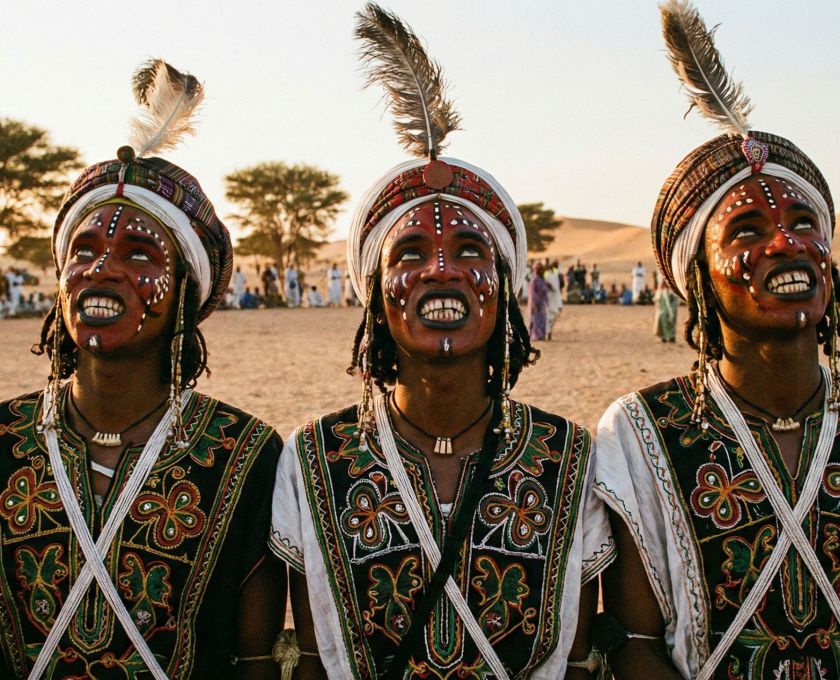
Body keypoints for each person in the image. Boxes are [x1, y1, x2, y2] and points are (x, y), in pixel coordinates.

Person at [269, 6, 611, 678]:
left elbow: (575, 663)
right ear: (375, 294)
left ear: (505, 286)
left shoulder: (571, 460)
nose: (442, 270)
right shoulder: (313, 459)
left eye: (467, 249)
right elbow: (311, 659)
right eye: (412, 252)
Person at [0, 60, 285, 678]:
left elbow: (254, 662)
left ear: (185, 289)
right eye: (85, 250)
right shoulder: (4, 439)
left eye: (138, 253)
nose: (103, 269)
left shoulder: (247, 454)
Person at [594, 3, 839, 678]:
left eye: (802, 222)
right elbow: (636, 645)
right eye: (748, 232)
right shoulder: (642, 432)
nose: (786, 244)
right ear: (696, 278)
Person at [528, 260, 549, 341]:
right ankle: (535, 336)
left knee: (543, 319)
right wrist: (536, 303)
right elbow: (532, 293)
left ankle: (541, 335)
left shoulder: (542, 279)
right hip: (536, 304)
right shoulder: (534, 280)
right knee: (535, 320)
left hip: (542, 303)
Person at [545, 259, 563, 340]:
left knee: (555, 314)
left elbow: (559, 271)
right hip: (549, 297)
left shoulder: (555, 273)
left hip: (556, 297)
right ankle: (548, 332)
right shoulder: (547, 274)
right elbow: (544, 283)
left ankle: (549, 330)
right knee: (550, 315)